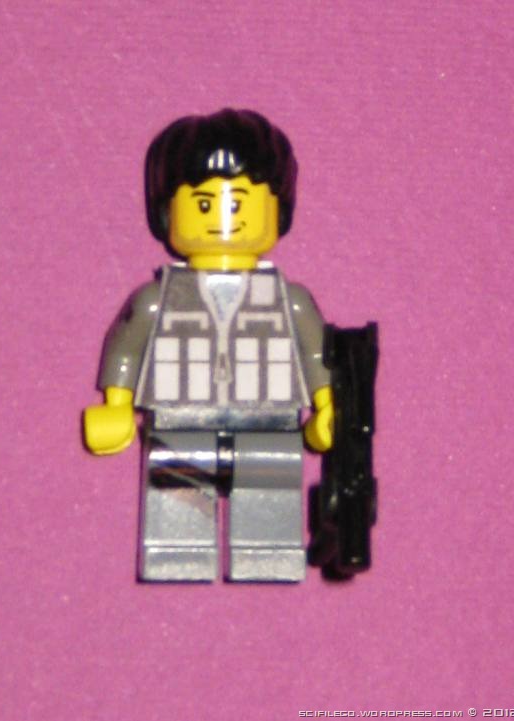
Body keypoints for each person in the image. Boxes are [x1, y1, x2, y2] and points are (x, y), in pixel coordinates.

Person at [84, 109, 333, 582]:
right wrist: (116, 406)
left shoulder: (289, 300)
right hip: (180, 421)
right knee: (177, 511)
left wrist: (327, 407)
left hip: (269, 422)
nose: (222, 218)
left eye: (240, 203)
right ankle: (178, 555)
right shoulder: (157, 299)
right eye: (202, 204)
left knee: (268, 504)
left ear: (278, 212)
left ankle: (266, 556)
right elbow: (126, 347)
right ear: (167, 213)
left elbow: (316, 353)